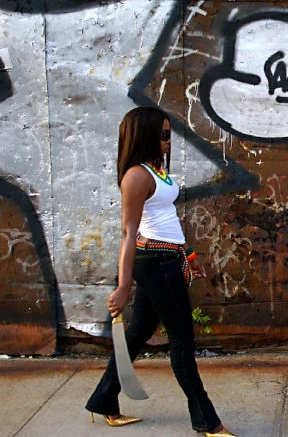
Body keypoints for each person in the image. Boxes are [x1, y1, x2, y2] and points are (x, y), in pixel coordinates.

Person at [85, 107, 236, 437]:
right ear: (146, 135)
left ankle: (104, 400)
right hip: (155, 264)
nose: (169, 140)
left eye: (169, 133)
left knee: (139, 332)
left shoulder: (154, 170)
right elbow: (129, 232)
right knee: (182, 339)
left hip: (166, 258)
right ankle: (207, 421)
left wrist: (189, 254)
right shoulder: (136, 176)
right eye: (164, 134)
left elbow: (164, 219)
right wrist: (123, 286)